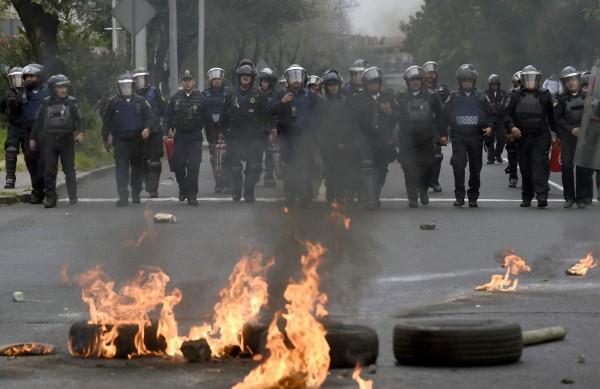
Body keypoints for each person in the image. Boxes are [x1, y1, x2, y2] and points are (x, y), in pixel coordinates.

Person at [504, 65, 558, 208]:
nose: (530, 82)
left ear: (538, 80)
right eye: (527, 79)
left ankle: (541, 195)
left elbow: (553, 118)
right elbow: (507, 114)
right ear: (522, 80)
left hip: (541, 137)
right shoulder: (514, 95)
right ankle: (527, 196)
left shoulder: (546, 95)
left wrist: (558, 134)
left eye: (533, 79)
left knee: (539, 165)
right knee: (525, 168)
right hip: (522, 138)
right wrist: (512, 127)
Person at [218, 59, 272, 202]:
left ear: (253, 78)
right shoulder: (231, 95)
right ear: (239, 78)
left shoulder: (259, 95)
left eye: (248, 76)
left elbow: (269, 114)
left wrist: (270, 130)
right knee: (234, 166)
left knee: (253, 167)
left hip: (254, 137)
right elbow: (223, 115)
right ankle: (236, 191)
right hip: (235, 136)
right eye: (243, 76)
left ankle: (249, 193)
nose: (245, 78)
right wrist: (221, 130)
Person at [444, 65, 496, 207]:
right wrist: (443, 134)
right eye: (464, 81)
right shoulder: (454, 96)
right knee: (458, 164)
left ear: (474, 82)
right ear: (460, 82)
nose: (467, 83)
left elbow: (492, 113)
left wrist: (490, 127)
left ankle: (473, 196)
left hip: (476, 137)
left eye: (470, 81)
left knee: (475, 167)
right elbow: (444, 115)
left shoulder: (481, 96)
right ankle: (459, 196)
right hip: (458, 136)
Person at [30, 74, 85, 208]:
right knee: (49, 171)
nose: (63, 90)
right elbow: (37, 121)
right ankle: (50, 198)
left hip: (67, 141)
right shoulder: (46, 102)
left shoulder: (71, 102)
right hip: (49, 141)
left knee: (69, 170)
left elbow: (80, 119)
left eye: (65, 87)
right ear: (53, 88)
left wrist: (81, 133)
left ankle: (73, 196)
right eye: (60, 87)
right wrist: (33, 138)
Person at [162, 69, 214, 206]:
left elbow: (208, 120)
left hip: (195, 137)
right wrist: (164, 132)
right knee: (178, 165)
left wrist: (211, 138)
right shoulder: (175, 98)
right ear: (181, 82)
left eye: (189, 80)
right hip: (180, 137)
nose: (187, 83)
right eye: (184, 80)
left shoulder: (201, 99)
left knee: (193, 166)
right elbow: (167, 116)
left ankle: (192, 195)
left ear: (194, 82)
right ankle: (183, 188)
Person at [396, 66, 446, 208]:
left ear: (422, 80)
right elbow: (393, 115)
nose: (415, 82)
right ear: (408, 81)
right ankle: (412, 196)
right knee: (408, 167)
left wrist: (442, 134)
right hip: (407, 139)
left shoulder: (431, 95)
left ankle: (423, 190)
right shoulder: (400, 97)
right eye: (412, 80)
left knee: (428, 166)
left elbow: (442, 114)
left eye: (418, 79)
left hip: (426, 138)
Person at [270, 64, 319, 207]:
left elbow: (319, 112)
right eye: (293, 77)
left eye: (299, 76)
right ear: (287, 79)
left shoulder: (309, 95)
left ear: (304, 78)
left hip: (305, 136)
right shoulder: (281, 94)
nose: (296, 80)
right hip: (287, 136)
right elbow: (270, 111)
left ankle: (306, 195)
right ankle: (289, 196)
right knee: (289, 167)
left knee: (306, 166)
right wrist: (282, 102)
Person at [102, 73, 152, 206]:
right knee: (121, 168)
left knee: (137, 168)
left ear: (133, 86)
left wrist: (147, 128)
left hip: (137, 140)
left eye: (128, 86)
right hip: (120, 140)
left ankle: (136, 193)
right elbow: (106, 121)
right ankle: (123, 195)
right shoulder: (113, 103)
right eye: (123, 86)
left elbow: (149, 118)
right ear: (119, 88)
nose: (126, 89)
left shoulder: (141, 101)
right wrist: (105, 138)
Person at [353, 66, 398, 211]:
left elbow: (398, 116)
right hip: (365, 139)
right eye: (371, 83)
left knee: (381, 169)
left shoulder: (388, 97)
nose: (374, 85)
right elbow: (351, 119)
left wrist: (390, 111)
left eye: (376, 82)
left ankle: (375, 194)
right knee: (367, 168)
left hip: (383, 139)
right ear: (366, 84)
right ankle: (370, 198)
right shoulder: (358, 99)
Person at [554, 66, 594, 209]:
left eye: (573, 80)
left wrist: (584, 129)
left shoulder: (586, 97)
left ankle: (582, 198)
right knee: (567, 168)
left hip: (583, 138)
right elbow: (557, 118)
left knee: (583, 169)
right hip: (567, 138)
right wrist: (571, 129)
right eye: (568, 80)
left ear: (578, 80)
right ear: (564, 83)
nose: (571, 83)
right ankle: (569, 197)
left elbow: (592, 116)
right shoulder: (559, 98)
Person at [316, 69, 355, 204]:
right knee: (330, 170)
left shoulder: (346, 102)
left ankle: (341, 193)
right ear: (326, 86)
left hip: (344, 142)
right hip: (328, 144)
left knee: (344, 170)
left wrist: (345, 141)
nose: (333, 87)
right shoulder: (322, 103)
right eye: (330, 85)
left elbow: (350, 123)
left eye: (335, 84)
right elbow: (320, 125)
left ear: (339, 85)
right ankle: (331, 192)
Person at [16, 64, 50, 204]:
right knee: (30, 159)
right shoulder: (22, 93)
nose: (29, 79)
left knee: (44, 161)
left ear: (39, 77)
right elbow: (16, 114)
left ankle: (47, 189)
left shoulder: (48, 91)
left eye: (32, 76)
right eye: (26, 77)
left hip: (45, 130)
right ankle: (37, 190)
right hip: (28, 131)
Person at [132, 67, 166, 198]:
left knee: (155, 162)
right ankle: (145, 182)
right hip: (137, 134)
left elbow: (164, 110)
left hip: (154, 131)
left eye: (143, 78)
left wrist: (168, 127)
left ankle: (153, 188)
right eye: (138, 79)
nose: (141, 82)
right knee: (140, 161)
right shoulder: (131, 95)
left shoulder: (154, 92)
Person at [423, 61, 450, 193]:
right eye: (428, 72)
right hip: (420, 125)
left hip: (436, 125)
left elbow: (448, 108)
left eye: (433, 72)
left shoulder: (443, 89)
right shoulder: (418, 87)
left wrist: (445, 130)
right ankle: (422, 181)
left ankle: (434, 181)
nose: (430, 75)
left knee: (437, 155)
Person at [202, 67, 230, 193]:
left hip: (226, 128)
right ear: (211, 81)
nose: (217, 81)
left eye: (219, 79)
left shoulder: (229, 93)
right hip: (211, 128)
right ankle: (218, 183)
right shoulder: (205, 94)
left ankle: (227, 183)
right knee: (215, 157)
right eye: (215, 79)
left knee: (227, 156)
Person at [0, 67, 23, 188]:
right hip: (13, 126)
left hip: (28, 127)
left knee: (31, 154)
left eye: (19, 78)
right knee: (10, 150)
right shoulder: (6, 94)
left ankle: (38, 180)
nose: (17, 81)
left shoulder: (29, 93)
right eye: (15, 78)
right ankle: (10, 178)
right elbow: (1, 111)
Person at [258, 67, 279, 188]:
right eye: (262, 81)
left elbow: (276, 114)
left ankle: (269, 176)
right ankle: (254, 174)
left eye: (266, 81)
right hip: (257, 129)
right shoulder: (257, 94)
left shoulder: (277, 96)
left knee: (270, 152)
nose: (263, 84)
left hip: (270, 128)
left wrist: (273, 129)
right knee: (255, 153)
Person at [484, 74, 508, 164]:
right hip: (489, 119)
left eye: (496, 84)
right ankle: (490, 157)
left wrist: (501, 106)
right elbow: (482, 105)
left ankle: (498, 154)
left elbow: (507, 104)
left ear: (499, 85)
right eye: (493, 84)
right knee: (489, 138)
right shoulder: (485, 93)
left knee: (502, 137)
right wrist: (491, 106)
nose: (494, 86)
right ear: (490, 85)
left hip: (500, 118)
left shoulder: (503, 93)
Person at [504, 71, 522, 188]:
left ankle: (539, 179)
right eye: (519, 82)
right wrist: (508, 131)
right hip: (513, 127)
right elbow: (505, 113)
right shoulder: (510, 95)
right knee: (512, 152)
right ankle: (513, 176)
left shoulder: (536, 94)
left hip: (529, 128)